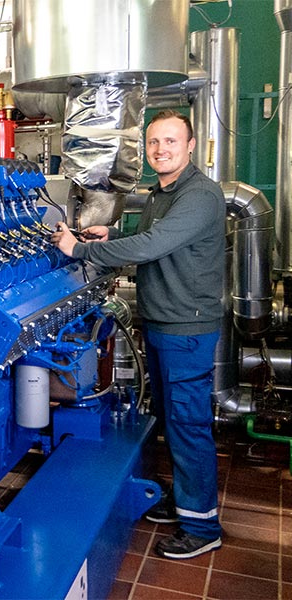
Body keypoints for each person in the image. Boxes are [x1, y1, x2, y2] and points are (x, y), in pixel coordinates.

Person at [51, 109, 226, 560]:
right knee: (172, 419)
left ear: (190, 147)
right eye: (154, 143)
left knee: (188, 424)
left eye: (171, 142)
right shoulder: (159, 193)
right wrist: (112, 231)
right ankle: (187, 500)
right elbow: (148, 235)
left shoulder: (201, 194)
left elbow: (152, 246)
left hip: (186, 326)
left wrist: (84, 248)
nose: (161, 149)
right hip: (162, 320)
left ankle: (203, 525)